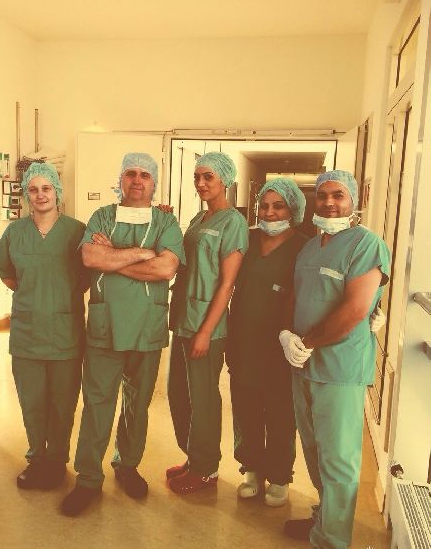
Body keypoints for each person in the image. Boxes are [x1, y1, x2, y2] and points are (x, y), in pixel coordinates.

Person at [61, 153, 185, 516]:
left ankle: (127, 465)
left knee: (137, 404)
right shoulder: (102, 216)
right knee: (97, 403)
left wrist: (113, 254)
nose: (137, 180)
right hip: (106, 327)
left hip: (147, 326)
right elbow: (90, 258)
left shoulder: (166, 221)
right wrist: (141, 254)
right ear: (121, 179)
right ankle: (88, 479)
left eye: (145, 174)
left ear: (154, 182)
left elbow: (165, 269)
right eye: (130, 173)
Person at [279, 170, 390, 548]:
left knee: (338, 457)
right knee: (313, 449)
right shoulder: (311, 247)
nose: (329, 202)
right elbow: (297, 295)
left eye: (338, 195)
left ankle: (332, 539)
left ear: (353, 200)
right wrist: (287, 335)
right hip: (302, 363)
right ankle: (323, 518)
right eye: (323, 195)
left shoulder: (366, 244)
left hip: (340, 367)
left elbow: (355, 309)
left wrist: (307, 342)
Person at [0, 162, 88, 490]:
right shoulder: (15, 233)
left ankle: (56, 460)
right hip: (27, 333)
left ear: (57, 192)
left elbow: (87, 276)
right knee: (32, 402)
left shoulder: (77, 231)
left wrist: (58, 297)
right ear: (26, 194)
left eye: (46, 188)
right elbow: (6, 273)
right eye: (33, 189)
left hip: (65, 333)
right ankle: (37, 459)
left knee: (62, 403)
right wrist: (34, 294)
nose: (40, 195)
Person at [167, 151, 249, 494]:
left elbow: (227, 284)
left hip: (206, 327)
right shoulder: (199, 218)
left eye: (208, 177)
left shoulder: (234, 223)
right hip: (183, 320)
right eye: (197, 177)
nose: (201, 183)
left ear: (224, 180)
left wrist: (205, 331)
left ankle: (206, 469)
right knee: (178, 393)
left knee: (203, 399)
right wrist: (165, 222)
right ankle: (193, 456)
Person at [226, 178, 308, 506]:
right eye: (265, 206)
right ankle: (251, 469)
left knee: (280, 413)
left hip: (281, 344)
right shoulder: (245, 239)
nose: (270, 213)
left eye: (279, 206)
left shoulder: (304, 247)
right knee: (245, 408)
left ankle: (279, 475)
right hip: (243, 340)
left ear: (293, 210)